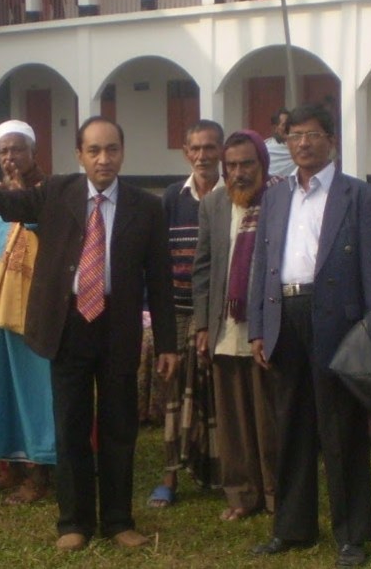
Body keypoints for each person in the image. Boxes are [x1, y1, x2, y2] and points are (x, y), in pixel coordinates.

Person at [0, 115, 178, 551]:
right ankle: (74, 522)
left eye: (112, 149)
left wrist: (167, 343)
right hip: (67, 325)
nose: (104, 158)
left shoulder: (145, 207)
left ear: (122, 153)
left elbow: (161, 280)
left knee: (118, 428)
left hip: (118, 328)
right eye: (94, 150)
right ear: (79, 155)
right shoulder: (57, 193)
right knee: (70, 426)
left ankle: (118, 521)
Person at [249, 103, 371, 567]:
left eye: (312, 134)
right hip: (285, 317)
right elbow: (262, 264)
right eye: (294, 136)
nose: (303, 143)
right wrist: (258, 326)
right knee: (291, 425)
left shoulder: (360, 197)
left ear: (331, 141)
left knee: (341, 428)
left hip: (339, 321)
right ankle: (292, 528)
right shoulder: (275, 197)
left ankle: (352, 534)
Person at [193, 130, 278, 523]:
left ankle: (276, 493)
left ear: (262, 164)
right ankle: (242, 493)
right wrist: (203, 325)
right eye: (232, 166)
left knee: (269, 416)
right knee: (232, 419)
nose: (239, 173)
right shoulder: (213, 204)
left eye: (247, 164)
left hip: (268, 326)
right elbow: (204, 268)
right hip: (224, 326)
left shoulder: (280, 200)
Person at [0, 120, 56, 503]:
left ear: (33, 152)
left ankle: (40, 472)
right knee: (1, 385)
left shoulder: (48, 192)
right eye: (3, 151)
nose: (10, 157)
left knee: (33, 386)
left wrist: (23, 194)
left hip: (32, 309)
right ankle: (10, 468)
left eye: (17, 149)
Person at [148, 120, 224, 508]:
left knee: (215, 390)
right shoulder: (172, 198)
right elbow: (156, 257)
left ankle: (219, 469)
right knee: (174, 390)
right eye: (196, 148)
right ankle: (170, 476)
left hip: (220, 311)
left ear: (221, 150)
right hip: (177, 308)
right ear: (185, 152)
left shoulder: (233, 196)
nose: (202, 155)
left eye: (210, 147)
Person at [264, 108, 296, 177]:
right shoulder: (265, 150)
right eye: (284, 125)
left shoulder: (300, 148)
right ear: (275, 128)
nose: (288, 128)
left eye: (290, 124)